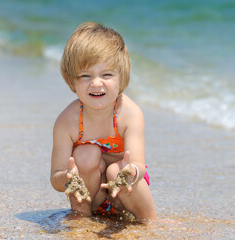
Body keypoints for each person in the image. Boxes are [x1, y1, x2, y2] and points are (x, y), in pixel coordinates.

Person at [50, 22, 157, 223]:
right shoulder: (67, 121)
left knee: (116, 170)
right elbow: (55, 176)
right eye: (85, 75)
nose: (96, 83)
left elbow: (140, 166)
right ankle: (81, 218)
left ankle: (150, 220)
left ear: (121, 77)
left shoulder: (130, 114)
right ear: (72, 81)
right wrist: (67, 178)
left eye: (107, 74)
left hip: (127, 193)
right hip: (91, 197)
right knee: (85, 154)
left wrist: (131, 171)